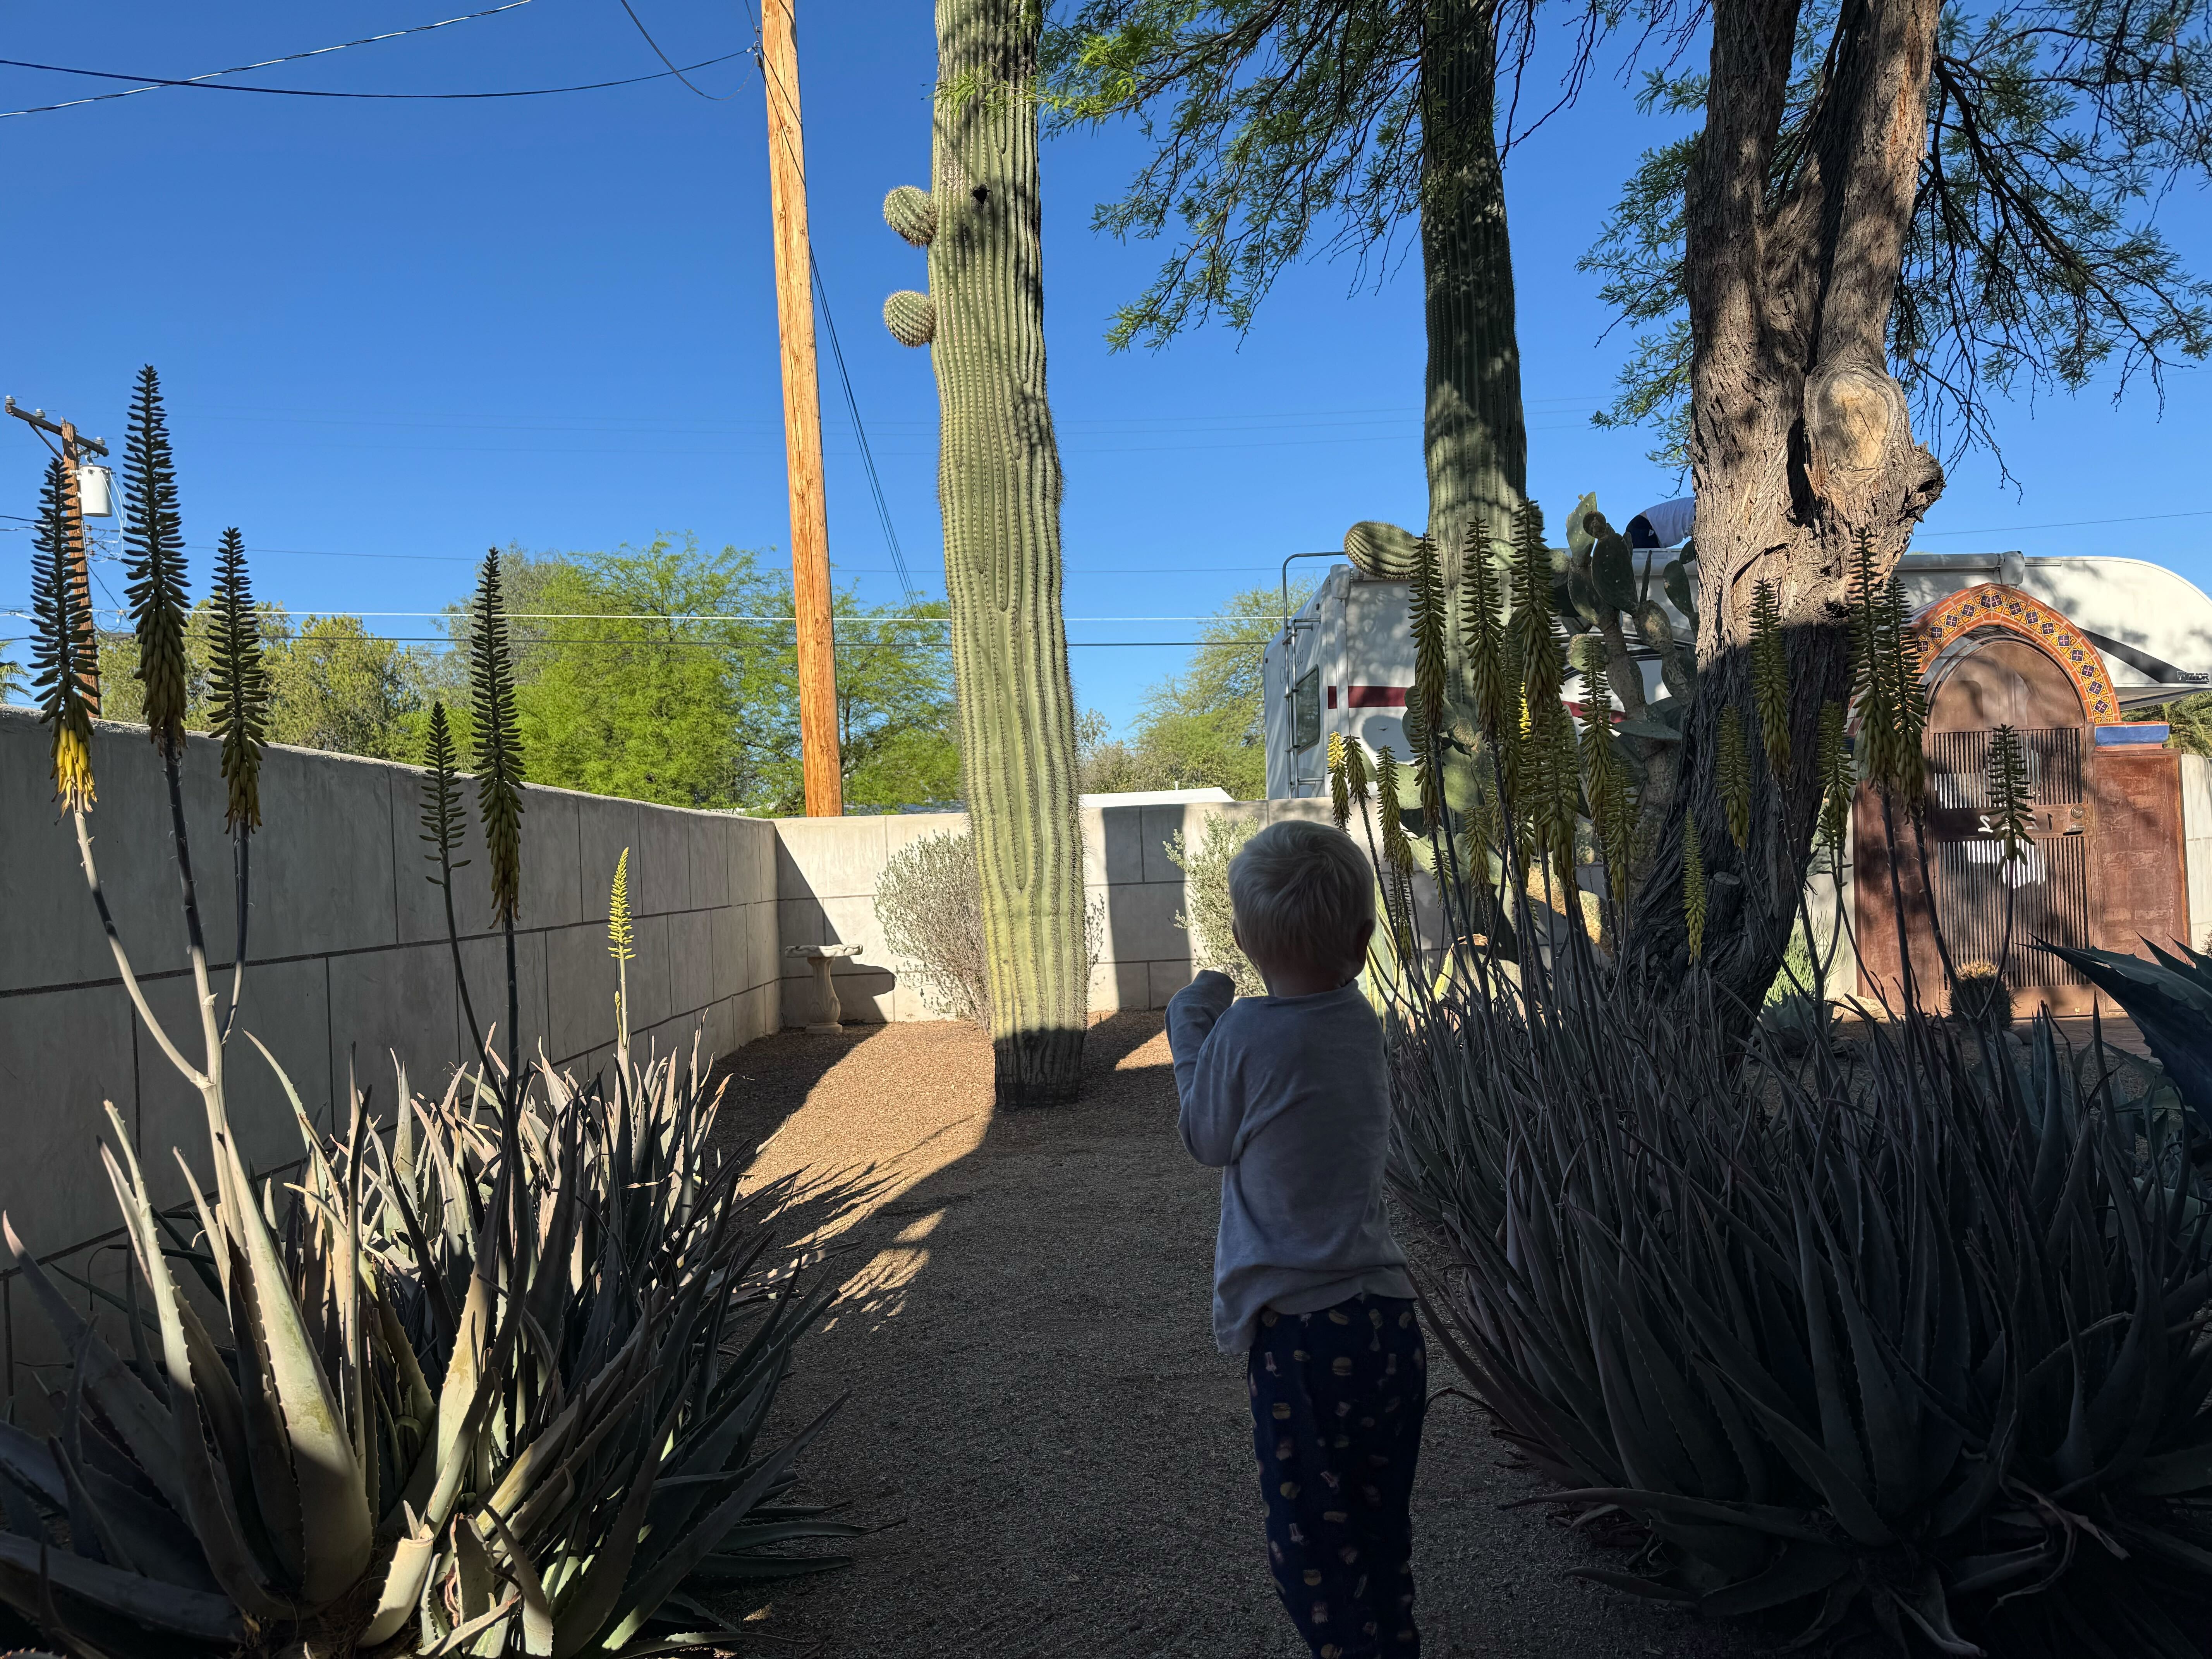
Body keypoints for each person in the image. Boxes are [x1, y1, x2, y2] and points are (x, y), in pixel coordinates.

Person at [1165, 817, 1425, 1658]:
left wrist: (1189, 1032)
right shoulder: (1361, 1023)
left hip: (1305, 1340)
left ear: (1242, 938)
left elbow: (1208, 1138)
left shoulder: (1244, 1034)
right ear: (1363, 938)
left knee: (1314, 1552)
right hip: (1388, 1323)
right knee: (1379, 1537)